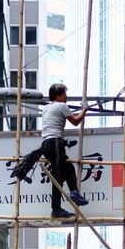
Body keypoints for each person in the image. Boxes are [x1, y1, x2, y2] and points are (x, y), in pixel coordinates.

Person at [41, 83, 89, 219]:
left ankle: (74, 191)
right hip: (55, 142)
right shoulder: (62, 106)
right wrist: (84, 109)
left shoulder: (46, 108)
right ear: (58, 95)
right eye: (64, 94)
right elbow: (75, 121)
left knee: (67, 166)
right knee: (58, 177)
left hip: (47, 144)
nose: (66, 96)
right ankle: (56, 209)